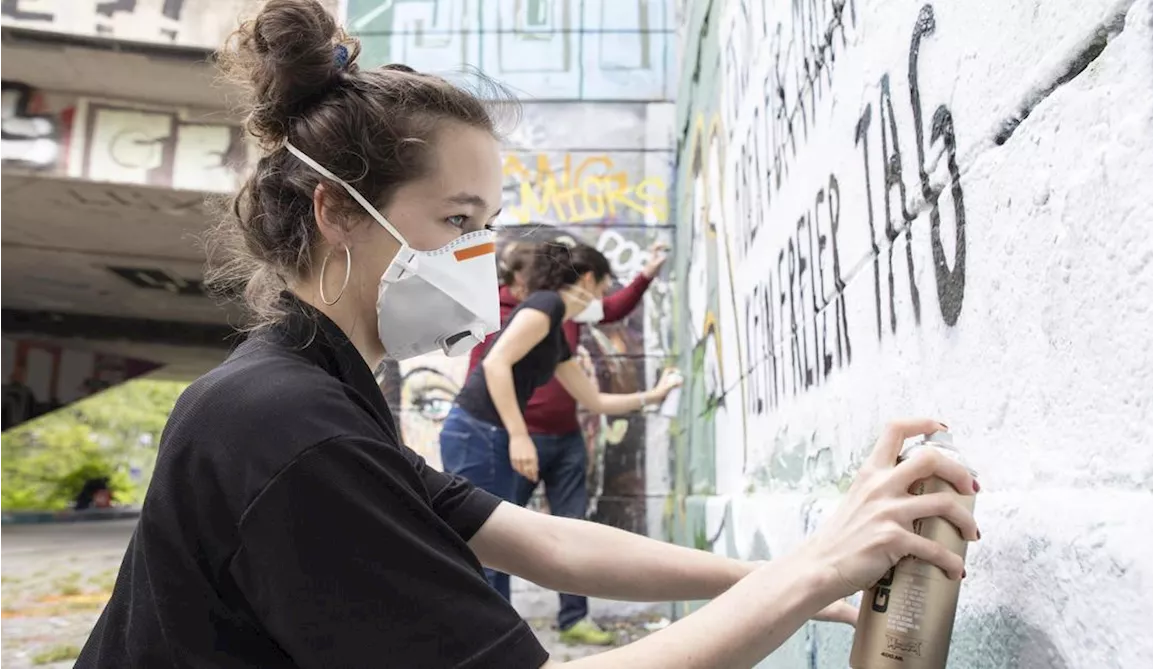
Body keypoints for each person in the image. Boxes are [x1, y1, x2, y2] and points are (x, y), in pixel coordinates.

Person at [73, 2, 979, 667]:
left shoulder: (308, 389)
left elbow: (547, 543)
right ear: (337, 211)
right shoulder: (284, 425)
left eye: (488, 222)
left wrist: (790, 572)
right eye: (457, 217)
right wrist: (811, 574)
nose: (482, 254)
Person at [441, 240, 683, 605]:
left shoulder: (556, 331)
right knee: (487, 546)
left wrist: (653, 396)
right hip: (479, 430)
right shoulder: (546, 304)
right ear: (588, 279)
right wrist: (519, 437)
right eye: (603, 286)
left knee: (493, 546)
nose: (603, 295)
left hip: (489, 432)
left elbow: (593, 400)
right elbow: (496, 364)